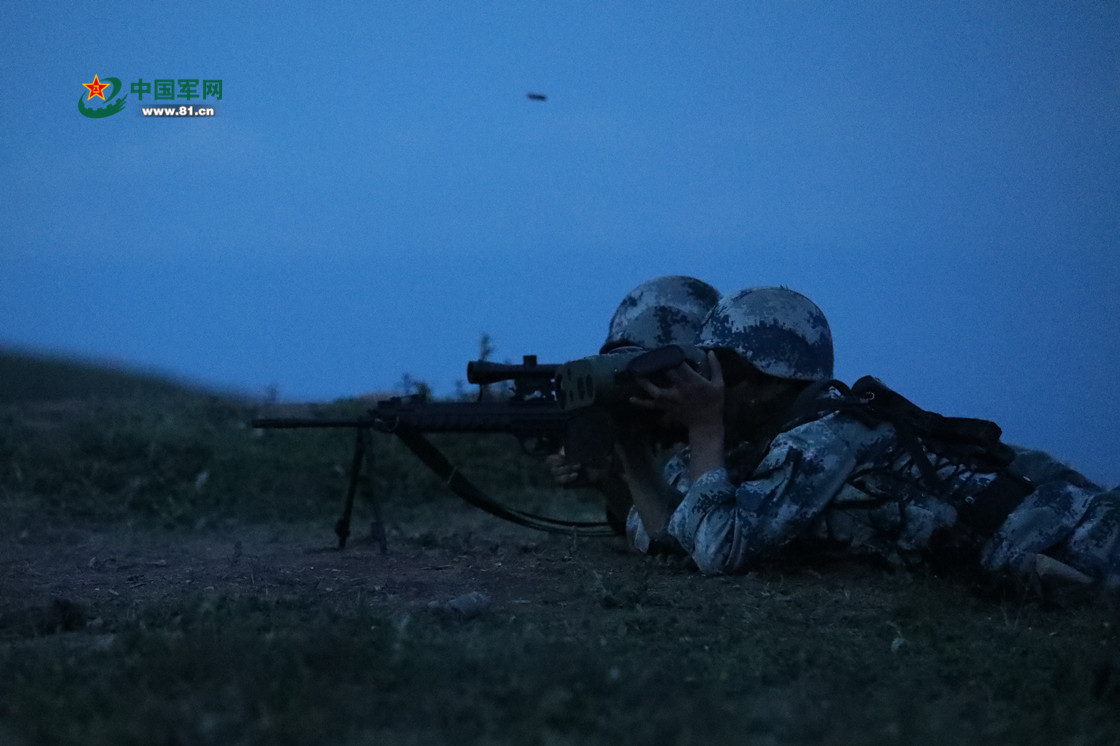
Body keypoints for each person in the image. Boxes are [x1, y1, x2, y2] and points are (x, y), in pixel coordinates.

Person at [618, 285, 1120, 602]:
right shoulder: (773, 446)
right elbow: (675, 532)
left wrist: (705, 427)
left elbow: (720, 549)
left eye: (727, 373)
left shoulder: (826, 439)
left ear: (778, 382)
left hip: (1084, 538)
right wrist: (623, 456)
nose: (716, 388)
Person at [546, 275, 720, 533]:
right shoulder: (672, 439)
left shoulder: (735, 442)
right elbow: (655, 530)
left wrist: (705, 428)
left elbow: (694, 537)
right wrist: (606, 476)